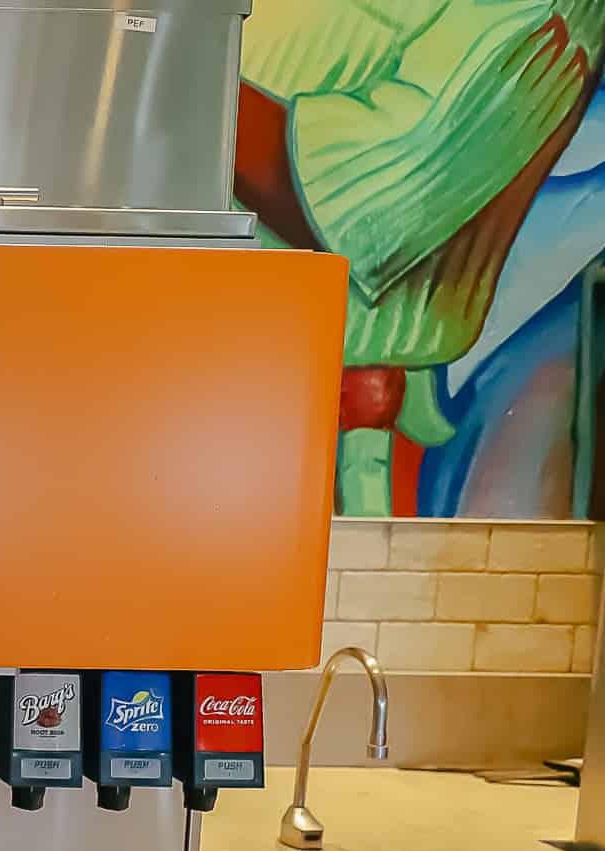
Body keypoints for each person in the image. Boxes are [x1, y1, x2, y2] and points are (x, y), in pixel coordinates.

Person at [235, 0, 605, 514]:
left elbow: (356, 211)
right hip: (219, 369)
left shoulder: (539, 19)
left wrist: (157, 57)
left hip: (277, 390)